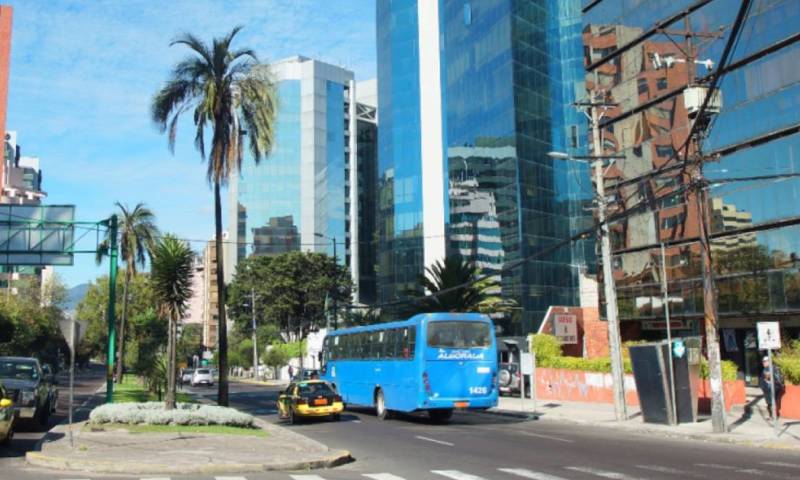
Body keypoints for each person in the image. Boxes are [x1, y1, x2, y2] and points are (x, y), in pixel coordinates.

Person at [759, 355, 785, 419]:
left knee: (773, 402)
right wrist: (762, 387)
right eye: (763, 361)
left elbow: (779, 379)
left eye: (765, 361)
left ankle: (774, 415)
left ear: (769, 361)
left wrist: (777, 386)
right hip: (767, 389)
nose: (763, 363)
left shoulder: (774, 368)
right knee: (769, 403)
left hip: (774, 388)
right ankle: (771, 415)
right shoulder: (764, 369)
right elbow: (762, 379)